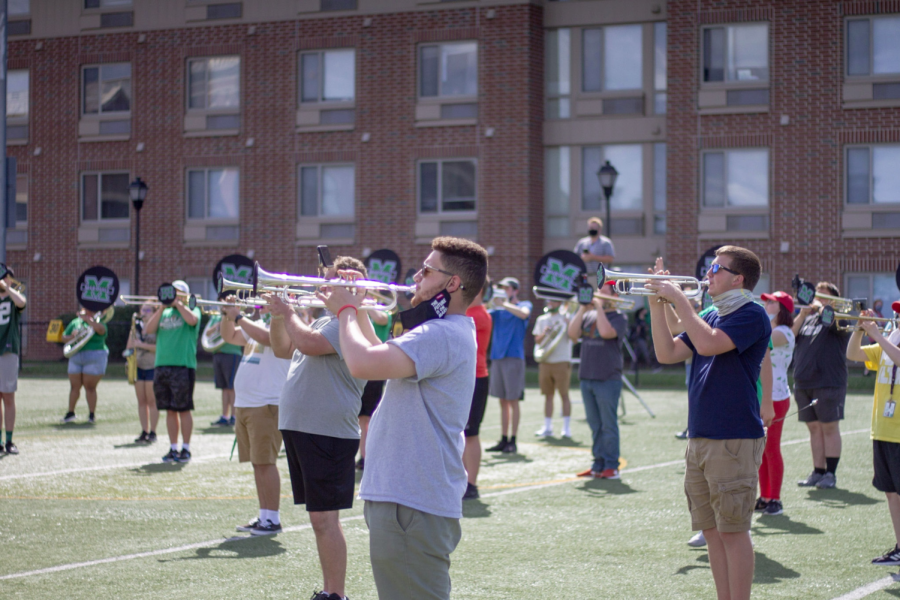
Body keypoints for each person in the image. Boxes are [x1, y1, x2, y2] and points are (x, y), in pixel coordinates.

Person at [317, 236, 488, 600]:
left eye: (426, 271)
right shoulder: (443, 332)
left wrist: (346, 310)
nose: (415, 277)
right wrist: (357, 308)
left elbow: (363, 364)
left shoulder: (439, 334)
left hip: (412, 502)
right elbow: (378, 352)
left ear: (453, 284)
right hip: (408, 498)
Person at [647, 246, 771, 600]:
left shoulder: (752, 314)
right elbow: (666, 353)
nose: (708, 273)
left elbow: (708, 344)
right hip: (701, 437)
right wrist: (658, 302)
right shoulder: (713, 314)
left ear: (738, 279)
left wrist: (678, 299)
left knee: (733, 532)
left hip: (732, 438)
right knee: (712, 532)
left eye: (717, 267)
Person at [267, 256, 369, 600]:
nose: (321, 286)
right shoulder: (329, 320)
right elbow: (283, 348)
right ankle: (330, 592)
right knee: (319, 520)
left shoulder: (348, 322)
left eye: (331, 281)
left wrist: (289, 313)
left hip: (327, 432)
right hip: (306, 429)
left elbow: (309, 343)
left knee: (325, 520)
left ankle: (335, 594)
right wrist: (278, 316)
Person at [220, 304, 291, 536]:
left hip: (266, 403)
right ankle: (264, 515)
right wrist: (226, 315)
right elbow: (228, 336)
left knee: (265, 461)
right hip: (246, 403)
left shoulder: (284, 326)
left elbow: (267, 338)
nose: (262, 304)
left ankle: (273, 519)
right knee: (257, 462)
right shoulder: (256, 325)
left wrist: (238, 316)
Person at [847, 305, 900, 567]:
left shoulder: (888, 344)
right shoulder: (888, 344)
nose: (898, 317)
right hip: (882, 430)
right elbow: (852, 353)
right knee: (891, 493)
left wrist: (877, 335)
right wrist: (858, 330)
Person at [792, 281, 851, 489]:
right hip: (803, 382)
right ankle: (817, 471)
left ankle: (830, 474)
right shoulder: (807, 319)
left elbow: (830, 320)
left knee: (829, 427)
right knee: (814, 429)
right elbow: (790, 336)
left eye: (823, 296)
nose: (817, 299)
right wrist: (802, 313)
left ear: (834, 299)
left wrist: (819, 305)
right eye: (816, 295)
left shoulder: (840, 318)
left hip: (828, 382)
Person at [567, 282, 627, 478]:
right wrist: (583, 309)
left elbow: (606, 332)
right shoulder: (588, 315)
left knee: (608, 424)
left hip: (607, 378)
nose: (598, 293)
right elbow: (572, 335)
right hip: (587, 376)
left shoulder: (619, 317)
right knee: (595, 425)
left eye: (604, 291)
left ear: (614, 296)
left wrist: (599, 307)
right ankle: (598, 464)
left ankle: (611, 466)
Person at [143, 280, 201, 464]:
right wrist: (161, 308)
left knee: (183, 409)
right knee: (169, 410)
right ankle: (173, 447)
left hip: (183, 366)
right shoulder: (163, 311)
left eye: (177, 292)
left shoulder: (192, 309)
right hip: (162, 365)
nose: (172, 295)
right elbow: (148, 330)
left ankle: (186, 448)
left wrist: (179, 304)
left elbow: (192, 320)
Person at [756, 291, 796, 516]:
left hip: (777, 396)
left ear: (781, 308)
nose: (766, 304)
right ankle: (765, 496)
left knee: (771, 448)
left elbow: (762, 339)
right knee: (762, 449)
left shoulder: (783, 332)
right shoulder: (773, 328)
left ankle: (776, 499)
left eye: (770, 302)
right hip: (765, 394)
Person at [486, 277, 531, 454]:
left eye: (507, 288)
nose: (503, 291)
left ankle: (513, 440)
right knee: (502, 401)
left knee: (513, 400)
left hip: (514, 358)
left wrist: (504, 304)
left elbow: (524, 314)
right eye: (501, 288)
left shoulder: (524, 304)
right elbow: (481, 314)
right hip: (497, 358)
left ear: (515, 291)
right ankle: (503, 439)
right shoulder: (497, 310)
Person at [463, 276, 492, 500]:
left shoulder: (478, 315)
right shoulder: (467, 313)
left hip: (475, 378)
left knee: (471, 433)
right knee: (461, 433)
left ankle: (471, 484)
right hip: (464, 378)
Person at [60, 307, 110, 424]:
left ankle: (91, 415)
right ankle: (70, 412)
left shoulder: (99, 321)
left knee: (90, 387)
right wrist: (72, 337)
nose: (87, 310)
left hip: (94, 355)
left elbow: (101, 331)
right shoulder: (75, 322)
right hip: (76, 356)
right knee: (74, 386)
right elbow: (63, 337)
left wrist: (88, 320)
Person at [357, 309, 391, 471]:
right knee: (361, 418)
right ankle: (363, 455)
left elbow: (381, 318)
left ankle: (367, 456)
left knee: (368, 419)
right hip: (362, 369)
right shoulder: (363, 315)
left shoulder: (385, 313)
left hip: (375, 372)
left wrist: (366, 303)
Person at [533, 298, 573, 438]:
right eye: (549, 300)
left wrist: (569, 324)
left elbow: (574, 338)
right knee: (548, 396)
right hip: (546, 361)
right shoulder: (542, 319)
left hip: (562, 360)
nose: (550, 303)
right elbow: (537, 341)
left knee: (564, 395)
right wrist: (544, 333)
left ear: (560, 303)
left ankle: (566, 428)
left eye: (554, 300)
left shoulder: (567, 318)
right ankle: (547, 427)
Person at [0, 267, 26, 455]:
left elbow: (21, 302)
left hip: (8, 352)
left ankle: (9, 441)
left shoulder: (13, 296)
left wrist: (7, 288)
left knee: (8, 397)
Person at [126, 302, 159, 444]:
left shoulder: (157, 328)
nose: (144, 312)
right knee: (141, 401)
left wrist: (141, 345)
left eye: (148, 310)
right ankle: (144, 431)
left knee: (152, 401)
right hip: (138, 366)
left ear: (154, 312)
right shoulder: (136, 327)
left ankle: (153, 432)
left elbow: (159, 348)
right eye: (143, 309)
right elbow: (129, 347)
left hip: (152, 366)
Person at [208, 307, 244, 427]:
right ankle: (225, 416)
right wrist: (218, 325)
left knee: (231, 387)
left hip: (232, 352)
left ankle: (234, 416)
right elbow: (207, 333)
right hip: (218, 353)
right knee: (224, 387)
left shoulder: (237, 315)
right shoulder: (216, 317)